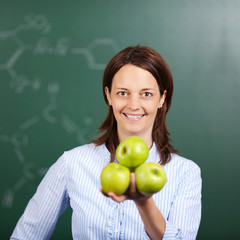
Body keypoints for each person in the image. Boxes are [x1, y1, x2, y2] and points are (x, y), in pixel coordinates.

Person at [11, 46, 202, 240]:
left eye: (146, 94)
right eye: (122, 93)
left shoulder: (185, 173)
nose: (134, 105)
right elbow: (26, 235)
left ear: (162, 98)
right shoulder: (73, 162)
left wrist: (144, 203)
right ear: (108, 95)